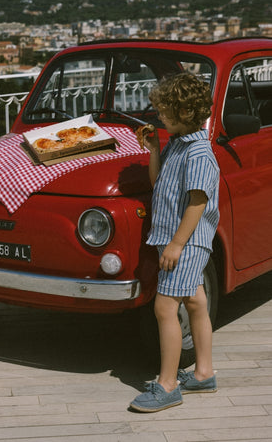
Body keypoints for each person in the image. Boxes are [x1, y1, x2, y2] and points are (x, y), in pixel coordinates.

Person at [130, 72, 219, 413]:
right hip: (178, 241)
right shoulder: (178, 145)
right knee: (195, 302)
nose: (159, 118)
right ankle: (204, 372)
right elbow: (159, 184)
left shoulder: (198, 153)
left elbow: (198, 203)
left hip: (185, 243)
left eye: (165, 112)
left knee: (165, 308)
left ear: (184, 113)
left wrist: (177, 244)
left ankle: (167, 385)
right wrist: (154, 150)